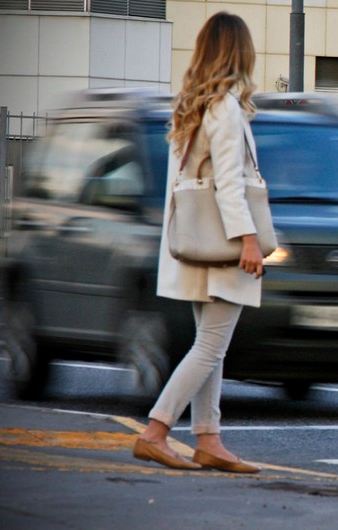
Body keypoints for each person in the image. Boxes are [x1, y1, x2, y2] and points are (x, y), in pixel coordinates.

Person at [132, 12, 264, 474]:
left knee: (210, 344)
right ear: (239, 51)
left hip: (197, 243)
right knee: (211, 344)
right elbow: (229, 184)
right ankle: (156, 431)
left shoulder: (192, 103)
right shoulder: (224, 107)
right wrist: (249, 238)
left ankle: (208, 437)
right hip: (224, 243)